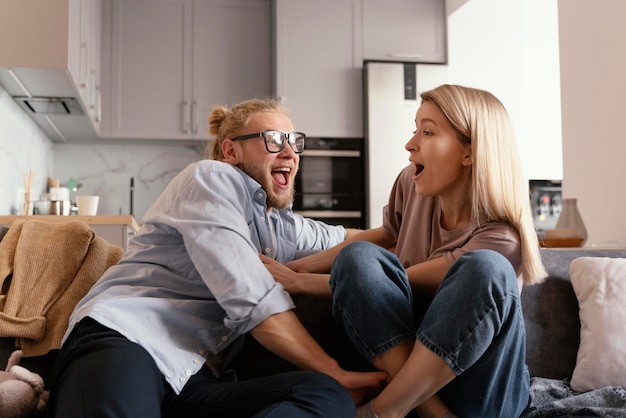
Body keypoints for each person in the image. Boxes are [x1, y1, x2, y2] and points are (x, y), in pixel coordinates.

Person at [48, 98, 388, 418]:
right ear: (231, 150)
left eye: (294, 141)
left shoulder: (284, 226)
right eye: (273, 139)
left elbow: (350, 238)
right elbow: (250, 298)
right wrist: (336, 371)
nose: (290, 152)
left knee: (327, 397)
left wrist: (412, 214)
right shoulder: (210, 179)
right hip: (128, 340)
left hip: (192, 377)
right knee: (332, 383)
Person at [262, 84, 547, 418]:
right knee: (358, 257)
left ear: (470, 152)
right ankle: (420, 410)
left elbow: (399, 280)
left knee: (486, 269)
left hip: (479, 396)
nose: (410, 144)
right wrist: (299, 267)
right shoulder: (412, 185)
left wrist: (298, 283)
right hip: (404, 377)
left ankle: (383, 411)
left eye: (427, 132)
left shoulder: (502, 238)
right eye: (415, 130)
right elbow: (383, 236)